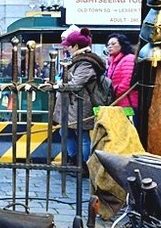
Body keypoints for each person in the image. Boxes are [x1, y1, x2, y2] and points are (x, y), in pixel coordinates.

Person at [52, 27, 107, 166]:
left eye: (69, 46)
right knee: (66, 132)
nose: (67, 48)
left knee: (81, 136)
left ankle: (83, 164)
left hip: (80, 104)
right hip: (72, 104)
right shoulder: (79, 59)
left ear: (76, 46)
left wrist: (58, 85)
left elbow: (76, 83)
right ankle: (74, 159)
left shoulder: (86, 62)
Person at [106, 33, 139, 112]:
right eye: (108, 44)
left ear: (122, 44)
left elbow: (127, 82)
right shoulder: (113, 62)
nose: (110, 46)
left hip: (128, 103)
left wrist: (112, 93)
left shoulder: (129, 59)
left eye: (113, 44)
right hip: (118, 103)